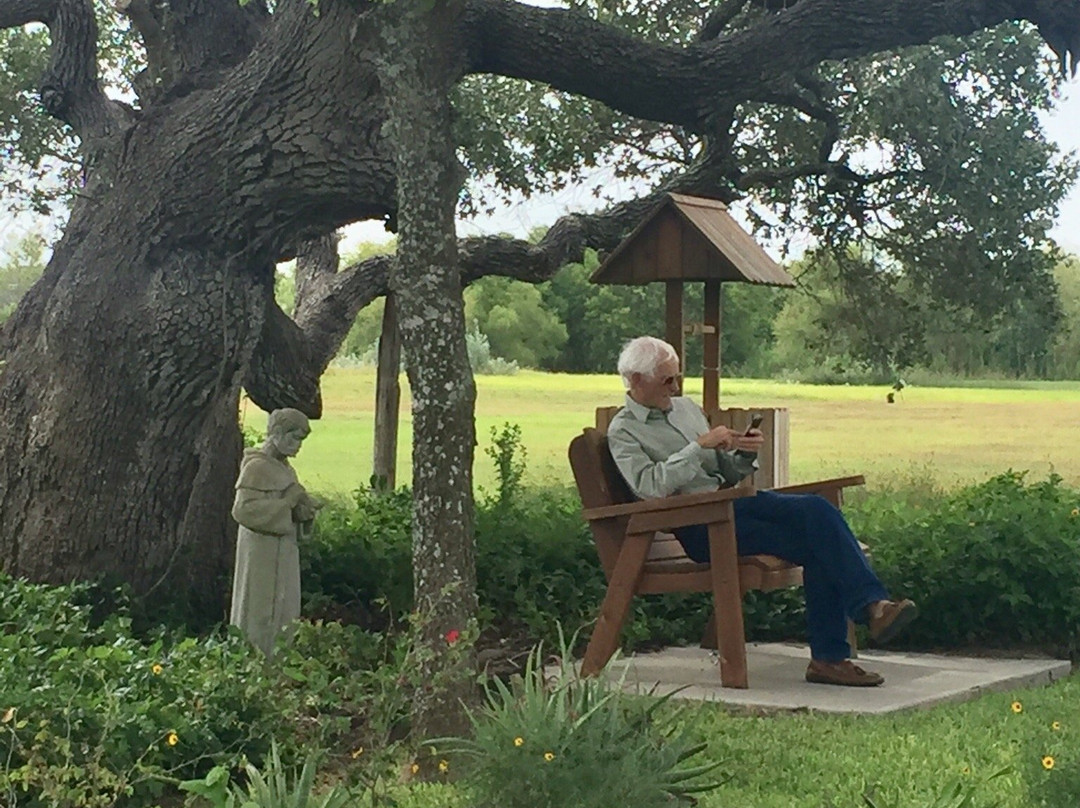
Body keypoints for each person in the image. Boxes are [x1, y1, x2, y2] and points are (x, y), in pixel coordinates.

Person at [606, 336, 917, 687]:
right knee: (817, 522)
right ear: (636, 380)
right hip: (699, 525)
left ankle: (837, 652)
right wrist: (698, 446)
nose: (675, 387)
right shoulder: (623, 431)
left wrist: (744, 453)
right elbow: (649, 487)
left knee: (817, 520)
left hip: (730, 505)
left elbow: (725, 472)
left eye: (678, 377)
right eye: (667, 380)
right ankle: (866, 616)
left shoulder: (685, 409)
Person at [229, 407, 321, 657]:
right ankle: (255, 661)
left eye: (301, 440)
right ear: (278, 433)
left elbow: (290, 508)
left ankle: (280, 660)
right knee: (258, 608)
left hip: (285, 550)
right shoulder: (256, 468)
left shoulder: (285, 469)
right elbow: (243, 511)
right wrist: (288, 503)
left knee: (284, 609)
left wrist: (303, 513)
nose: (298, 445)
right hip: (261, 552)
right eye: (295, 438)